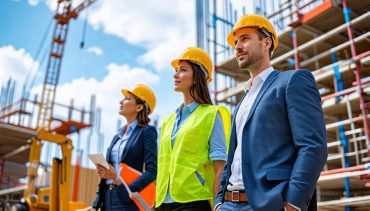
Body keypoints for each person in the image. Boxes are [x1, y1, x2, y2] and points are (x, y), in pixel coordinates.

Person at [214, 14, 327, 211]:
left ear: (266, 43)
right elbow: (233, 155)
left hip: (269, 204)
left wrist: (293, 203)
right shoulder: (242, 101)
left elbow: (313, 146)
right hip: (229, 204)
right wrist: (219, 201)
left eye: (245, 38)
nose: (238, 46)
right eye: (236, 41)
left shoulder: (292, 81)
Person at [155, 47, 231, 211]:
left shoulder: (211, 114)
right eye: (176, 70)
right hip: (163, 202)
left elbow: (220, 165)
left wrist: (218, 203)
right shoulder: (168, 121)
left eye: (182, 70)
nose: (175, 74)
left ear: (197, 77)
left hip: (193, 200)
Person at [92, 84, 158, 211]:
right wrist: (96, 204)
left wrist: (123, 185)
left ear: (139, 107)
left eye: (127, 98)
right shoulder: (117, 136)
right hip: (107, 198)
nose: (121, 101)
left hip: (127, 200)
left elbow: (152, 171)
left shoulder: (147, 132)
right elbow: (105, 176)